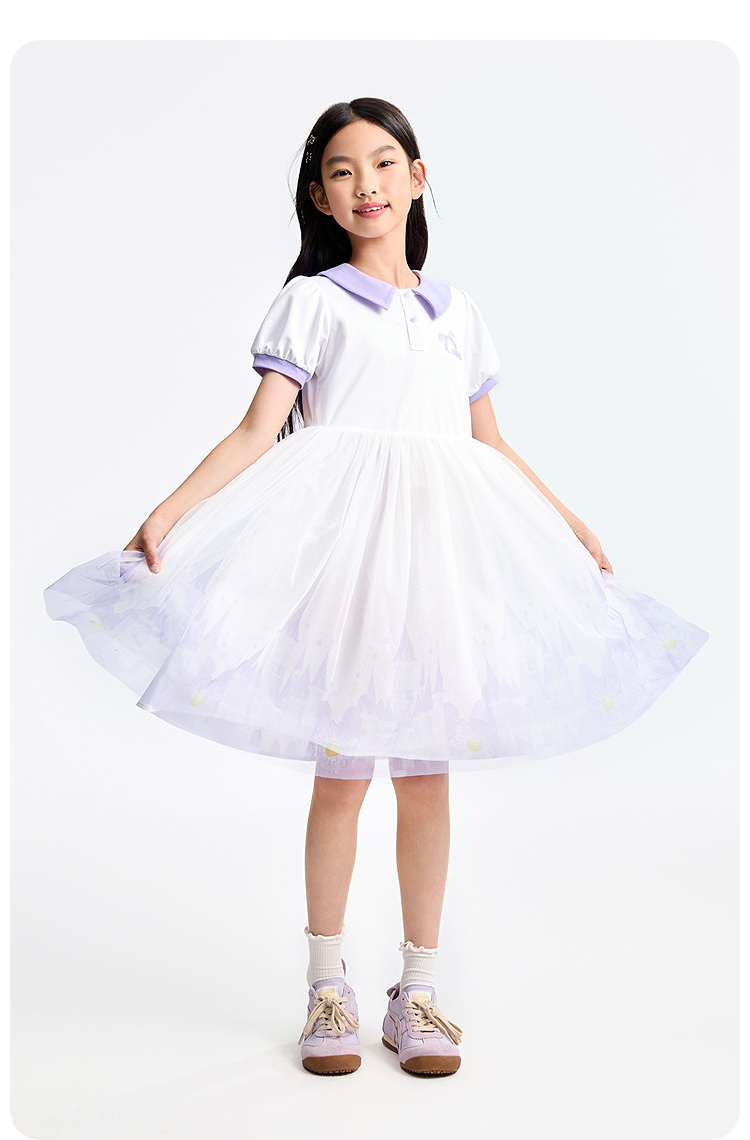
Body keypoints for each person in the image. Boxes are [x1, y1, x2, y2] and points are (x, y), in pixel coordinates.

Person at [43, 97, 709, 1078]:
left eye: (385, 163)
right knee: (344, 771)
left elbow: (488, 442)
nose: (367, 184)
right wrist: (172, 510)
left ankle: (419, 993)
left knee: (428, 774)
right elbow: (257, 429)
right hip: (351, 567)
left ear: (418, 178)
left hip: (439, 565)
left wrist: (564, 520)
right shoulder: (314, 303)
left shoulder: (457, 313)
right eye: (344, 171)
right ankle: (327, 987)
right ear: (320, 196)